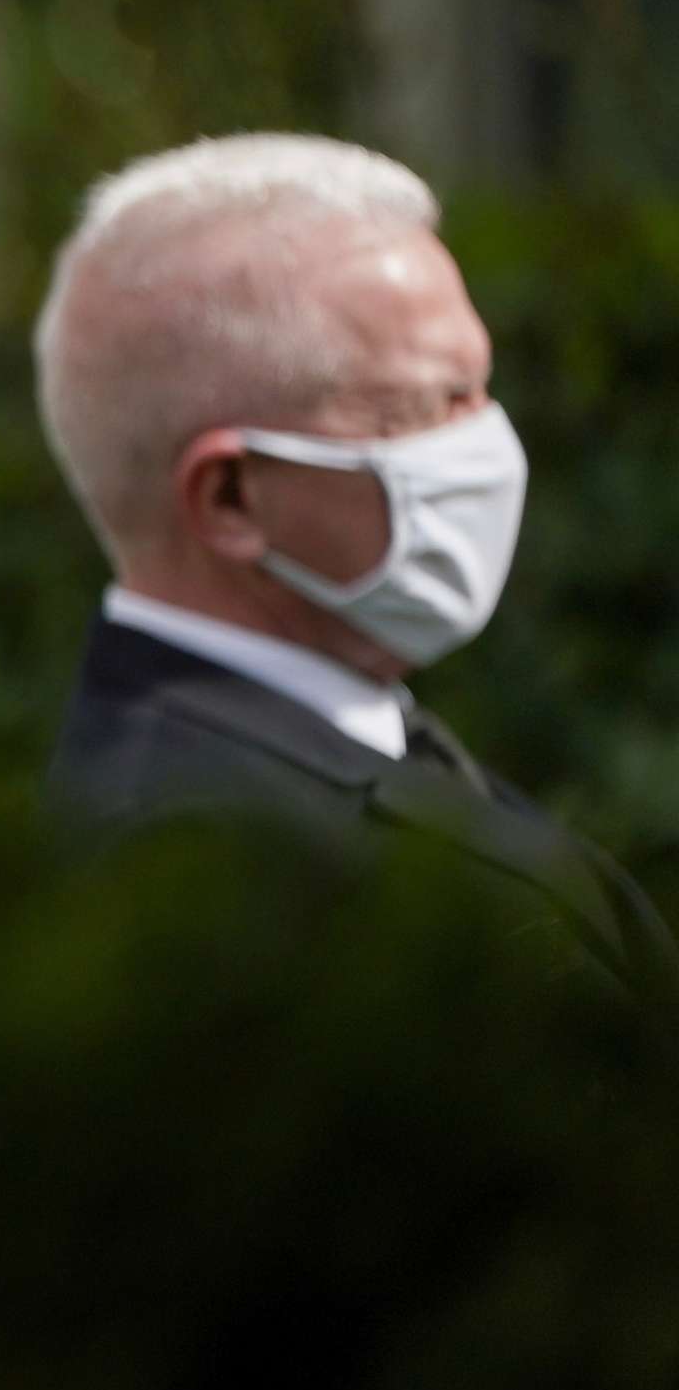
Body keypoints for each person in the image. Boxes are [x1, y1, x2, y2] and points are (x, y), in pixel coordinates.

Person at [34, 133, 678, 1006]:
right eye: (427, 404)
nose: (486, 440)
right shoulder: (194, 871)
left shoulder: (330, 747)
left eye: (481, 388)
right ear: (230, 498)